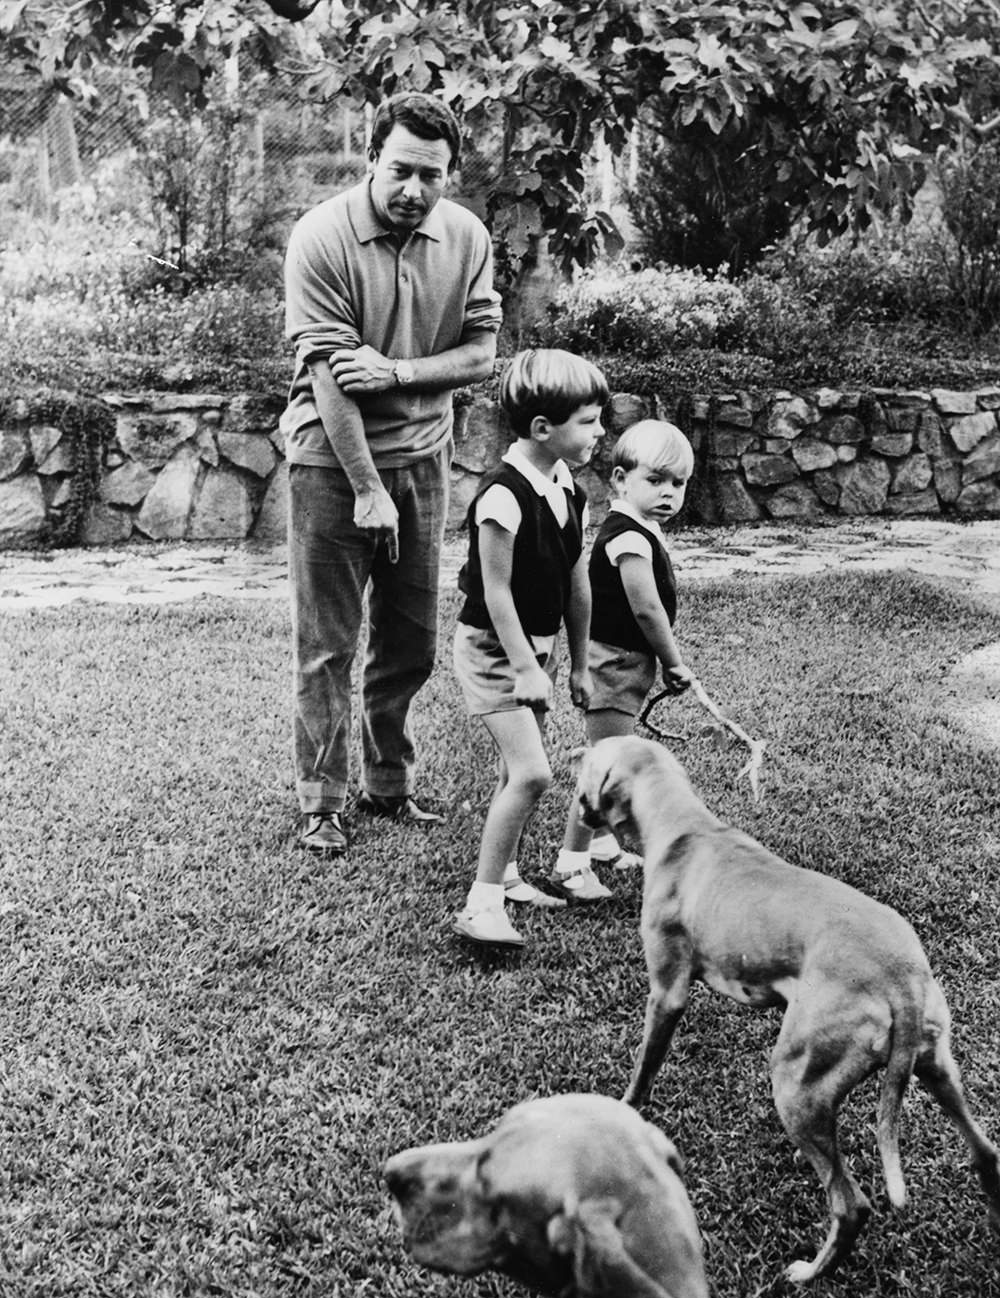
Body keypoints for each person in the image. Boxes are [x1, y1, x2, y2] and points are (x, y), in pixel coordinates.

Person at [281, 92, 503, 855]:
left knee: (410, 641)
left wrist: (401, 371)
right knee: (328, 643)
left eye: (432, 176)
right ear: (372, 157)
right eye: (401, 170)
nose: (414, 190)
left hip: (424, 459)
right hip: (331, 463)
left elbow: (481, 355)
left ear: (451, 175)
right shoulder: (321, 237)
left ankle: (387, 783)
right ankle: (321, 801)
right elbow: (331, 378)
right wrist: (368, 489)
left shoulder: (467, 236)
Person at [451, 349, 610, 948]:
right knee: (533, 772)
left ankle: (510, 875)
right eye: (589, 421)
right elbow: (494, 591)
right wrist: (524, 666)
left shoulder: (568, 485)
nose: (600, 432)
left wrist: (578, 661)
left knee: (510, 772)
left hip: (536, 651)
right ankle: (481, 903)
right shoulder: (502, 496)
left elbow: (576, 580)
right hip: (495, 649)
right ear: (543, 429)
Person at [552, 419, 696, 882]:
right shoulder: (629, 537)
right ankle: (571, 864)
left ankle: (598, 843)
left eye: (678, 483)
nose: (669, 493)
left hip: (625, 661)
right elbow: (647, 608)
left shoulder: (640, 526)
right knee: (602, 766)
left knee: (608, 755)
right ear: (619, 479)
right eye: (655, 481)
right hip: (611, 662)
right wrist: (673, 662)